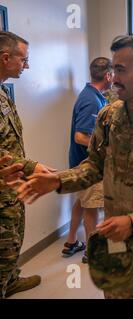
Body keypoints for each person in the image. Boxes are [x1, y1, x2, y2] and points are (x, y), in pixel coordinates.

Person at [3, 36, 133, 299]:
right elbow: (95, 166)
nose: (113, 76)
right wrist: (59, 180)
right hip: (117, 242)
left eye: (121, 69)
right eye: (113, 68)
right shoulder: (109, 118)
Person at [0, 31, 49, 298]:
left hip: (10, 188)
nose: (26, 66)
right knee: (2, 247)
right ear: (6, 58)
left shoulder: (3, 91)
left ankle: (10, 280)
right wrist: (31, 167)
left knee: (11, 242)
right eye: (24, 60)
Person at [63, 57, 113, 263]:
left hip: (83, 163)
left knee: (83, 203)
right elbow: (81, 136)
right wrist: (109, 149)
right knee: (91, 208)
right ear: (108, 75)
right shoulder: (90, 99)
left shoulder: (96, 96)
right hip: (88, 164)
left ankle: (71, 241)